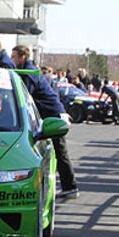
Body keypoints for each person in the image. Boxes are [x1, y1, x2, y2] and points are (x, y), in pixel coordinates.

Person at [10, 45, 78, 198]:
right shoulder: (30, 70)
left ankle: (71, 187)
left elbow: (24, 98)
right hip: (52, 115)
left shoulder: (29, 74)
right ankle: (64, 185)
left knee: (60, 152)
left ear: (22, 57)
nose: (12, 60)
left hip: (54, 116)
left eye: (14, 57)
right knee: (52, 152)